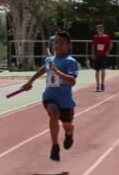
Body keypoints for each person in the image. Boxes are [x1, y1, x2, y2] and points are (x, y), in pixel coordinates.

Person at [21, 31, 79, 162]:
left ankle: (69, 134)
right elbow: (43, 69)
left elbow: (72, 81)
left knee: (67, 125)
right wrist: (30, 82)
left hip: (66, 101)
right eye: (56, 42)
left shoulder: (70, 61)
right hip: (50, 97)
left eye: (62, 43)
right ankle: (55, 146)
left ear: (68, 46)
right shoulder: (49, 59)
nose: (58, 45)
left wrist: (57, 72)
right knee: (54, 113)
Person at [91, 24, 111, 93]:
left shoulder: (106, 37)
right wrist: (93, 54)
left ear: (103, 30)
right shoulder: (95, 37)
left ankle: (102, 84)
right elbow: (93, 46)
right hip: (97, 56)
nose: (100, 30)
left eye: (101, 29)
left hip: (103, 56)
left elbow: (110, 45)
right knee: (97, 71)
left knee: (103, 70)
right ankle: (97, 85)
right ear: (97, 30)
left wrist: (108, 51)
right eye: (98, 29)